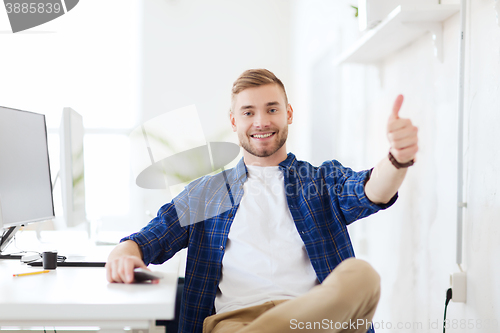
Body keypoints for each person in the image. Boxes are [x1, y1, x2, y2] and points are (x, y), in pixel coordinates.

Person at [106, 69, 419, 333]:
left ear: (288, 114)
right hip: (235, 322)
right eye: (248, 112)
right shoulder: (207, 193)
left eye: (272, 109)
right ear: (233, 121)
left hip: (312, 321)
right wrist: (125, 251)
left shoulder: (321, 181)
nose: (261, 122)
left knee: (362, 275)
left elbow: (370, 190)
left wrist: (397, 159)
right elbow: (151, 238)